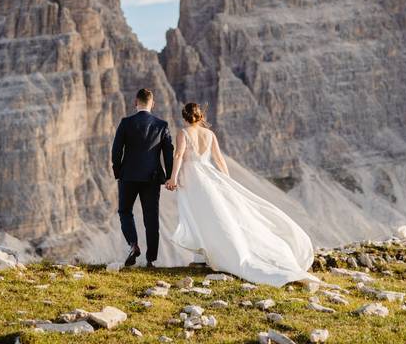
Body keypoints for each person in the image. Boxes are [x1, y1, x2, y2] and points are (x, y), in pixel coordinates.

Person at [167, 102, 314, 286]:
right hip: (209, 176)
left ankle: (206, 255)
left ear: (184, 117)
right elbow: (219, 159)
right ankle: (206, 255)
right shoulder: (210, 134)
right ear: (201, 117)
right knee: (212, 215)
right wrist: (227, 182)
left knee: (200, 215)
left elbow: (179, 155)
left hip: (193, 178)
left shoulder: (183, 133)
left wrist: (173, 178)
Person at [111, 88, 173, 267]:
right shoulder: (162, 125)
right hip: (152, 178)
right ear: (152, 104)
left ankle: (133, 244)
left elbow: (116, 150)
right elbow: (168, 153)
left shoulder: (126, 123)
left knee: (124, 211)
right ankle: (151, 260)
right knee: (151, 218)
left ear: (135, 102)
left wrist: (118, 171)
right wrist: (169, 176)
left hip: (128, 175)